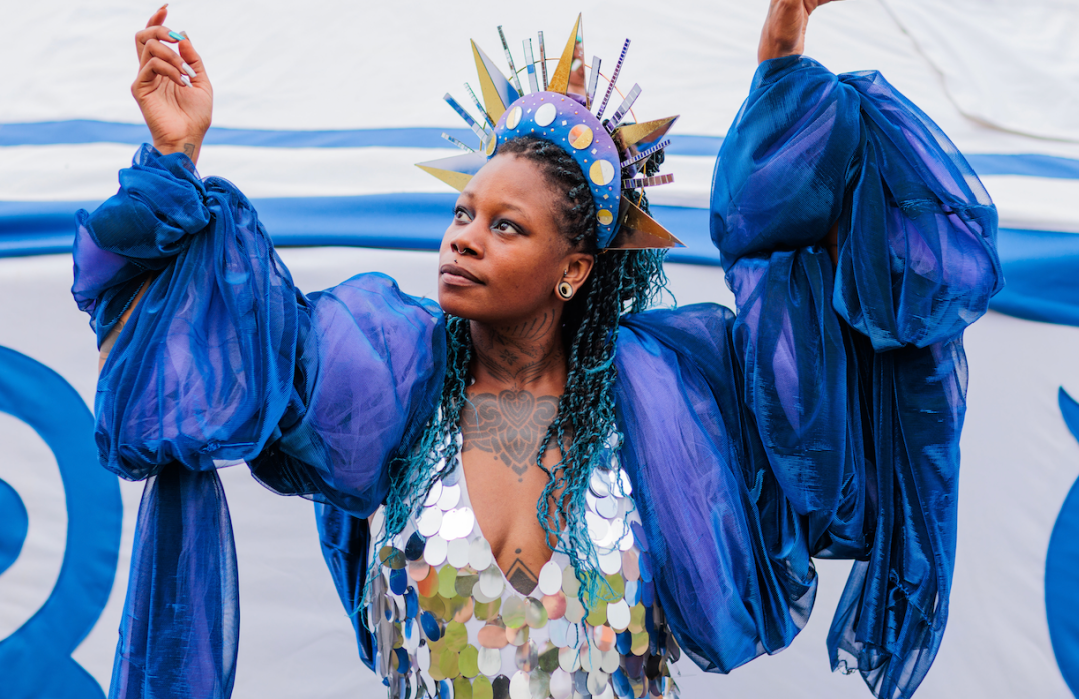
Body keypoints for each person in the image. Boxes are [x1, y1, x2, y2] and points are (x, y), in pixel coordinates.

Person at [71, 1, 1003, 698]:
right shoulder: (386, 385)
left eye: (504, 225)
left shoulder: (679, 404)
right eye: (462, 212)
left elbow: (812, 388)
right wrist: (177, 160)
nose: (464, 237)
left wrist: (782, 72)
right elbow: (235, 341)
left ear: (573, 270)